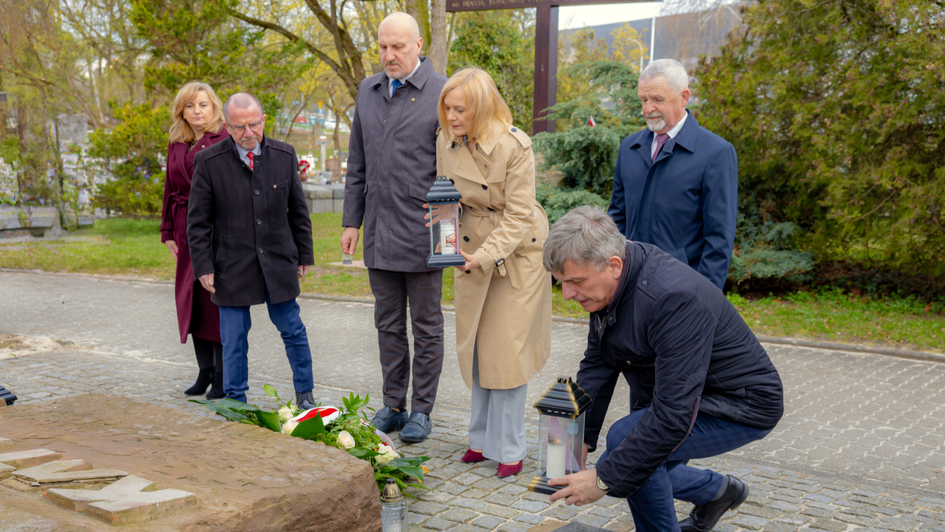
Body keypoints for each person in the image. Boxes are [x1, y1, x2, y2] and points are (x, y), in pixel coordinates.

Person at [542, 206, 783, 532]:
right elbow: (598, 362)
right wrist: (579, 437)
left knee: (628, 445)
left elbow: (673, 414)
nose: (567, 294)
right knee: (635, 457)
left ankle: (708, 497)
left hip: (740, 403)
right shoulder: (607, 285)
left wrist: (601, 480)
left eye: (575, 282)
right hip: (678, 389)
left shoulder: (672, 298)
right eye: (561, 282)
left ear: (613, 265)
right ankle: (717, 492)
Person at [435, 68, 552, 478]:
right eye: (447, 108)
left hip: (517, 254)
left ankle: (511, 448)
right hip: (469, 246)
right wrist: (442, 230)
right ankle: (481, 440)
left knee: (506, 352)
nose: (451, 117)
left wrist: (483, 256)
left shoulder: (514, 145)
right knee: (477, 347)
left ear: (482, 108)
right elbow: (446, 193)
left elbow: (519, 215)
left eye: (460, 109)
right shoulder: (446, 139)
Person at [340, 12, 448, 443]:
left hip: (424, 232)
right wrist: (351, 221)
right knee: (387, 324)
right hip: (379, 232)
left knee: (426, 326)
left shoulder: (442, 93)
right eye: (383, 47)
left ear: (418, 45)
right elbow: (357, 164)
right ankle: (393, 404)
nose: (389, 55)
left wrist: (446, 232)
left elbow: (453, 168)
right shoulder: (367, 91)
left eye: (398, 47)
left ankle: (422, 409)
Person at [188, 93, 317, 411]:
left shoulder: (284, 155)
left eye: (254, 124)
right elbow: (197, 223)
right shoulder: (208, 162)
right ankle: (235, 401)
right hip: (231, 264)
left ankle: (305, 394)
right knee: (233, 338)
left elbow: (298, 211)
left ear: (263, 120)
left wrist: (305, 254)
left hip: (278, 260)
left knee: (293, 330)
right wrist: (204, 266)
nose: (248, 133)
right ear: (226, 126)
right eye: (239, 127)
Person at [609, 59, 738, 290]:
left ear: (683, 97)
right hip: (629, 287)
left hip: (681, 292)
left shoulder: (716, 153)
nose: (647, 109)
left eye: (657, 99)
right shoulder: (629, 148)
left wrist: (703, 299)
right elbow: (617, 219)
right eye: (644, 100)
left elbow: (719, 239)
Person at [160, 81, 230, 400]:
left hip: (215, 231)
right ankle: (205, 371)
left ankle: (224, 375)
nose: (197, 111)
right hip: (183, 230)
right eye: (190, 105)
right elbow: (168, 187)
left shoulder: (225, 138)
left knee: (214, 303)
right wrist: (167, 232)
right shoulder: (178, 141)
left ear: (214, 107)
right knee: (192, 303)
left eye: (203, 104)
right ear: (182, 111)